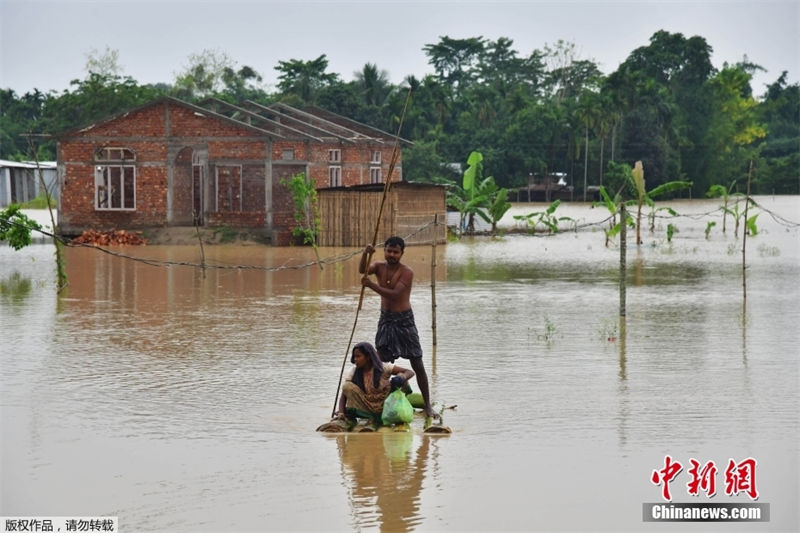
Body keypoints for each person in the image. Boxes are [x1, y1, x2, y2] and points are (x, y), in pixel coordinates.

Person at [359, 236, 438, 419]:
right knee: (379, 362)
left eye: (395, 252)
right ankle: (377, 402)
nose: (392, 255)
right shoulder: (379, 266)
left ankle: (427, 406)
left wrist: (371, 285)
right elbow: (363, 270)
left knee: (417, 362)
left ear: (402, 253)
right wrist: (365, 254)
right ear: (384, 250)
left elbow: (395, 295)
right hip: (386, 320)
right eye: (389, 251)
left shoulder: (407, 272)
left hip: (404, 321)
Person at [334, 341, 415, 425]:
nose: (355, 359)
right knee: (347, 386)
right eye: (354, 356)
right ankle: (371, 417)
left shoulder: (383, 367)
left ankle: (393, 411)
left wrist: (401, 377)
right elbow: (344, 394)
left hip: (385, 405)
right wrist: (341, 412)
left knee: (401, 377)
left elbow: (410, 372)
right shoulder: (354, 372)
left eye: (358, 356)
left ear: (368, 357)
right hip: (367, 406)